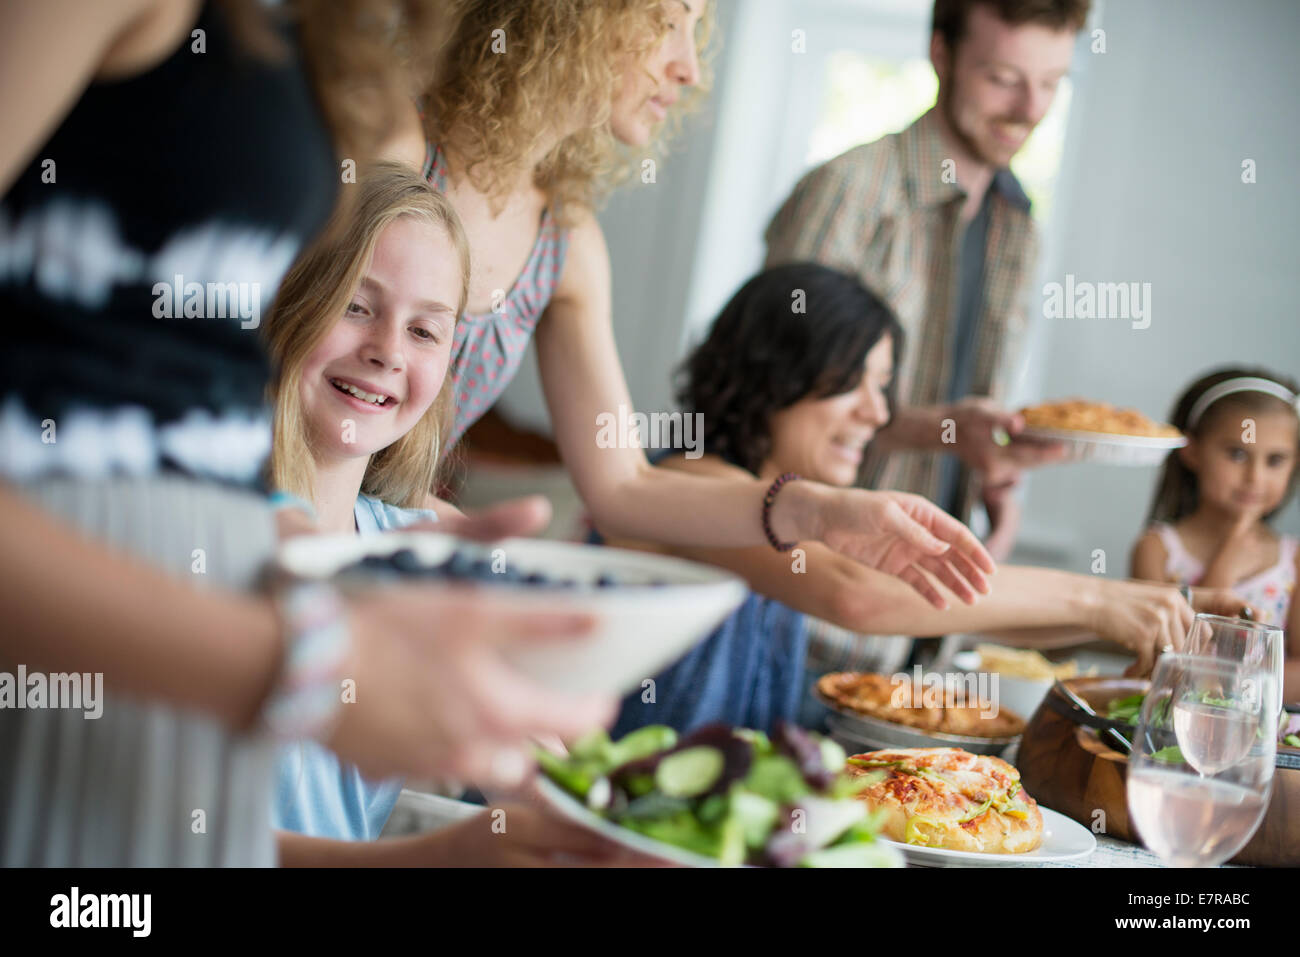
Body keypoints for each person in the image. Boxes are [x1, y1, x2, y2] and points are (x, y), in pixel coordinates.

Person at [0, 0, 611, 866]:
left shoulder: (333, 49)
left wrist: (344, 576)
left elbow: (175, 412)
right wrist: (303, 664)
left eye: (428, 328)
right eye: (356, 304)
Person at [381, 0, 999, 609]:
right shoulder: (397, 151)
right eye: (668, 22)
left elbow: (624, 486)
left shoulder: (567, 239)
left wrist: (818, 512)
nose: (689, 67)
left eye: (695, 32)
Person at [601, 265, 1250, 735]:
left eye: (882, 385)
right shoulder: (690, 483)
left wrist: (1162, 609)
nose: (876, 411)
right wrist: (1101, 599)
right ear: (773, 373)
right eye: (850, 382)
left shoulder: (779, 498)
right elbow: (859, 592)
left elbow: (960, 607)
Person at [264, 163, 663, 865]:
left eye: (425, 330)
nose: (388, 348)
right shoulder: (206, 530)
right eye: (357, 305)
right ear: (291, 304)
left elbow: (530, 767)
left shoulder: (422, 551)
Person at [765, 0, 1093, 555]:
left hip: (935, 600)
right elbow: (776, 395)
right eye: (1003, 79)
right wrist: (942, 430)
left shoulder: (1019, 225)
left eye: (1052, 82)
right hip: (821, 581)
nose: (1030, 108)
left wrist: (994, 478)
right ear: (941, 53)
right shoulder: (848, 191)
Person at [1131, 368, 1299, 699]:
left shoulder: (1293, 559)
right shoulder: (1157, 550)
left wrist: (1224, 681)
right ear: (1191, 451)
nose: (1255, 476)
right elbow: (1172, 666)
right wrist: (1224, 570)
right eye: (1237, 454)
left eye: (1275, 460)